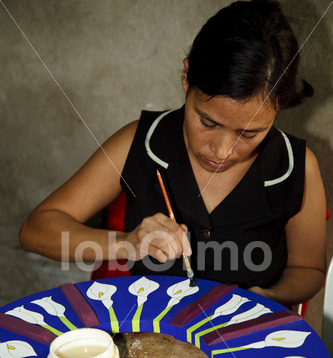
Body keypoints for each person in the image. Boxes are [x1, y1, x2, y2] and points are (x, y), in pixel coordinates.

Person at [19, 0, 327, 308]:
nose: (222, 151)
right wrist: (127, 243)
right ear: (186, 77)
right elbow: (37, 229)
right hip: (149, 334)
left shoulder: (297, 167)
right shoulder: (139, 142)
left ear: (278, 109)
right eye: (207, 122)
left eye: (249, 134)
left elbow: (307, 269)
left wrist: (264, 299)